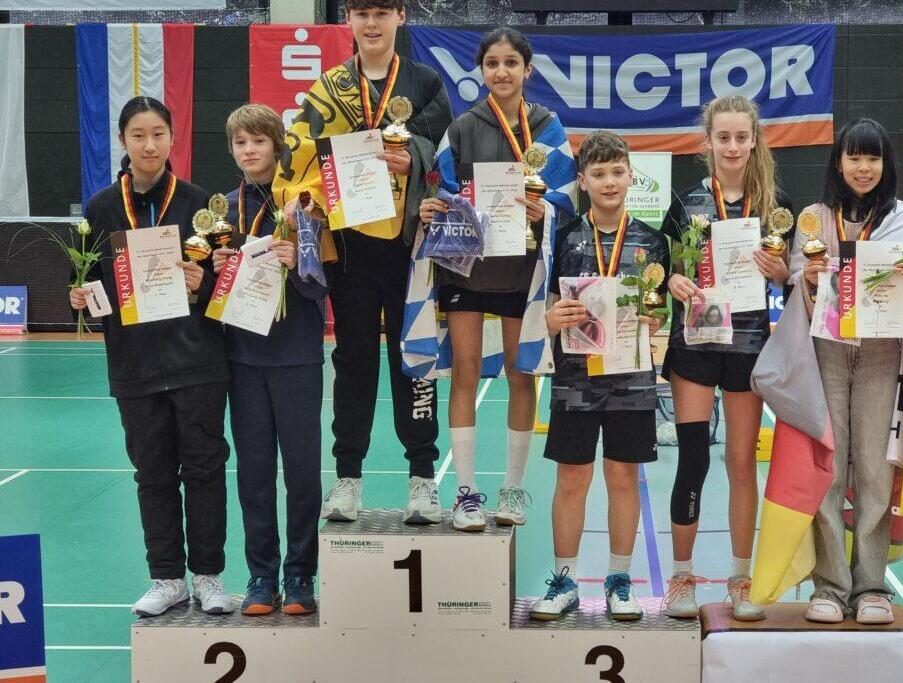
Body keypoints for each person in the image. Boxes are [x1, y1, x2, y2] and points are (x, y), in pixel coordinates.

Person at [273, 0, 453, 525]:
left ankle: (422, 476)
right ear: (348, 20)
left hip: (410, 248)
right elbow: (298, 157)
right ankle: (348, 477)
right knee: (352, 362)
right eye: (361, 13)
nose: (371, 24)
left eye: (381, 12)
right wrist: (304, 199)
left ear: (401, 16)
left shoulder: (425, 83)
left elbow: (446, 157)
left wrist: (415, 159)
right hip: (350, 250)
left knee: (415, 358)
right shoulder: (327, 88)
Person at [69, 96, 233, 617]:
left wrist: (204, 281)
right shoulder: (99, 209)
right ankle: (166, 578)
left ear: (172, 137)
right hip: (135, 366)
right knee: (153, 475)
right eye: (138, 135)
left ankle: (208, 576)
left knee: (204, 469)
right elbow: (87, 288)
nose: (149, 145)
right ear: (123, 141)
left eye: (158, 133)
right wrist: (81, 298)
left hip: (197, 363)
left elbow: (223, 287)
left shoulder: (200, 204)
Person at [416, 27, 576, 532]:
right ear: (481, 70)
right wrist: (435, 206)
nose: (502, 72)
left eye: (511, 63)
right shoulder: (462, 127)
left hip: (521, 266)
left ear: (528, 69)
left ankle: (512, 488)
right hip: (467, 264)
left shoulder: (548, 127)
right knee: (464, 372)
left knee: (519, 373)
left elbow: (569, 196)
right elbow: (440, 187)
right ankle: (465, 493)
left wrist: (545, 208)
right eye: (492, 63)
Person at [660, 95, 793, 621]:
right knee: (693, 459)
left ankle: (741, 579)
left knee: (741, 462)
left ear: (754, 140)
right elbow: (665, 267)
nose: (733, 146)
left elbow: (794, 274)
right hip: (695, 347)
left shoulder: (775, 207)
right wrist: (673, 280)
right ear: (708, 142)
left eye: (741, 137)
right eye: (723, 137)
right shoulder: (687, 202)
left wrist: (781, 272)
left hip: (748, 348)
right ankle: (681, 577)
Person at [529, 131, 668, 622]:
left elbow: (658, 311)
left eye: (617, 172)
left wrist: (654, 319)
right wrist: (550, 320)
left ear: (631, 176)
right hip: (576, 378)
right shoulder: (563, 239)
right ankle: (564, 580)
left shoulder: (653, 242)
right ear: (583, 181)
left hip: (632, 379)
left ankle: (619, 580)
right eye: (599, 173)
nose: (609, 181)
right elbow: (544, 307)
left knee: (624, 477)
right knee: (571, 479)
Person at [790, 118, 903, 624]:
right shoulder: (813, 218)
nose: (863, 168)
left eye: (873, 158)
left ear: (886, 165)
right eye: (854, 157)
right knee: (827, 468)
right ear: (838, 162)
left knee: (874, 470)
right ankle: (829, 586)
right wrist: (807, 277)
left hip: (880, 354)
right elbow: (794, 284)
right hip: (825, 352)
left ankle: (871, 586)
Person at [211, 104, 326, 616]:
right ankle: (261, 575)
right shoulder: (221, 211)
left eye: (259, 141)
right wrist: (213, 268)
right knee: (254, 472)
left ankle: (300, 574)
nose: (249, 150)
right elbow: (205, 296)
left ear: (278, 146)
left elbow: (323, 288)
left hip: (297, 355)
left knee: (302, 473)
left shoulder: (304, 204)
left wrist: (299, 263)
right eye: (240, 142)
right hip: (242, 357)